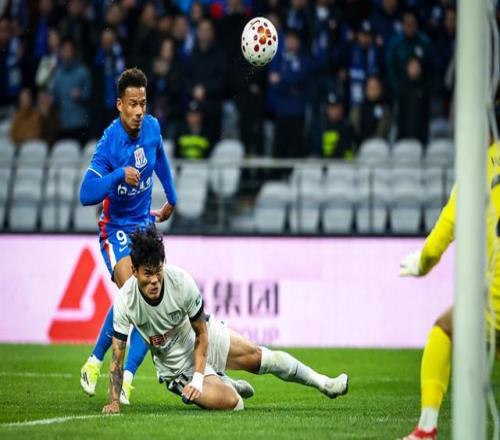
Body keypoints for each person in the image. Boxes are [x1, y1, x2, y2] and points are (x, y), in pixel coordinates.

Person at [102, 227, 349, 414]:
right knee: (234, 403)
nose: (155, 280)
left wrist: (199, 378)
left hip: (201, 339)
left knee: (262, 357)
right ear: (134, 271)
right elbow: (117, 355)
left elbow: (202, 333)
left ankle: (325, 384)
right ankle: (224, 382)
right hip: (177, 368)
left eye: (158, 271)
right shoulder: (125, 301)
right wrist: (114, 401)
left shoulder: (181, 282)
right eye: (147, 274)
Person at [79, 67, 177, 406]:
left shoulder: (152, 128)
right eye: (132, 104)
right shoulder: (109, 143)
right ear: (119, 104)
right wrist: (119, 174)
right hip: (116, 229)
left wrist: (172, 198)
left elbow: (160, 158)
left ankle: (127, 380)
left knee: (152, 301)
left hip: (144, 226)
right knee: (135, 295)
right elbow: (86, 193)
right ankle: (94, 362)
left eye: (143, 103)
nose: (139, 111)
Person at [398, 141, 500, 439]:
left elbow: (436, 244)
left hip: (496, 295)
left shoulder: (478, 169)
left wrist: (421, 265)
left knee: (445, 328)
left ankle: (426, 428)